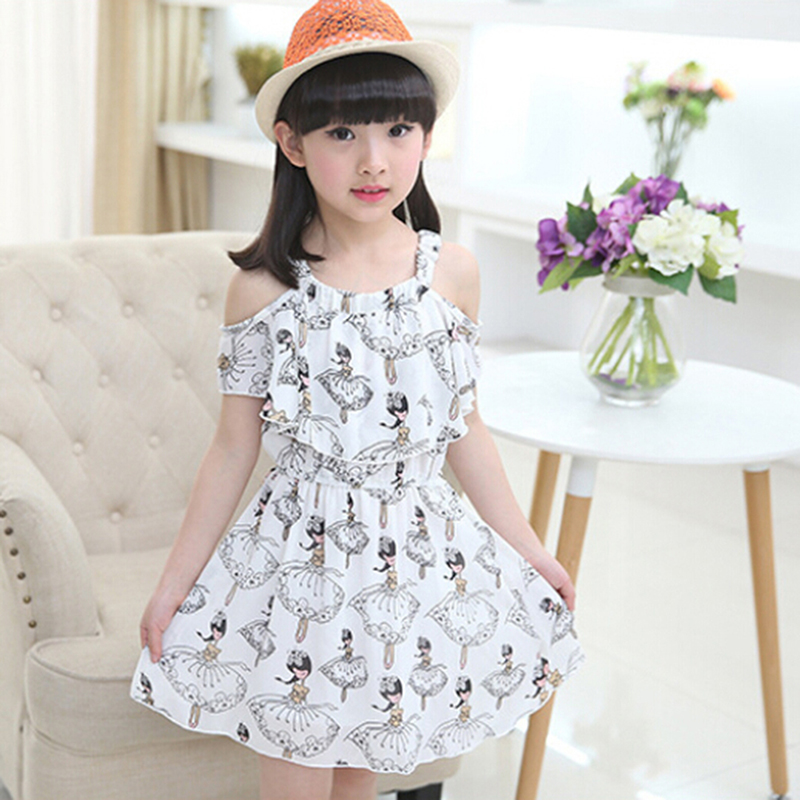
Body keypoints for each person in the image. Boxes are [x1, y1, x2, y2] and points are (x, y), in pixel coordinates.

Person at [130, 0, 585, 797]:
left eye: (397, 130)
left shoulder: (453, 274)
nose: (374, 161)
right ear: (292, 143)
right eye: (343, 133)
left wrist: (531, 550)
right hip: (298, 564)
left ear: (427, 138)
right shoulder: (263, 290)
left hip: (411, 567)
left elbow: (464, 431)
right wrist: (176, 584)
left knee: (358, 780)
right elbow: (233, 448)